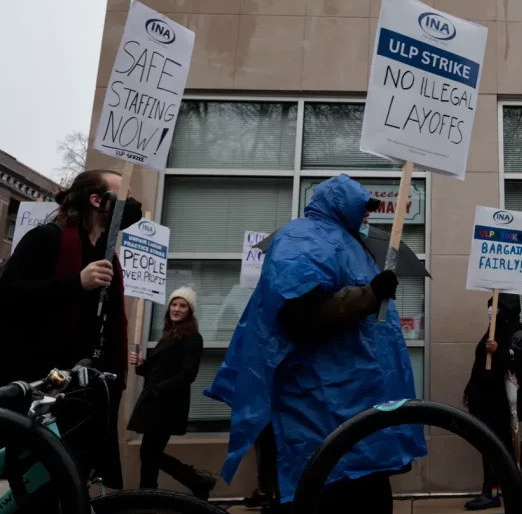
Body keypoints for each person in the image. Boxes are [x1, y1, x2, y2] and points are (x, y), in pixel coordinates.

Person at [205, 175, 426, 513]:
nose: (368, 215)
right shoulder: (304, 236)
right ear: (340, 204)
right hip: (321, 415)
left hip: (354, 415)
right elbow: (298, 316)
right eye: (362, 207)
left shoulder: (351, 246)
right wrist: (370, 294)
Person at [0, 169, 143, 490]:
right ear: (97, 200)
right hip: (39, 386)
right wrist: (76, 282)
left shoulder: (108, 256)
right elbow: (8, 294)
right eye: (124, 195)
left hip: (83, 393)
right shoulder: (47, 238)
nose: (131, 203)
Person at [127, 286, 217, 498]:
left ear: (189, 311)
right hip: (155, 404)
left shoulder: (193, 338)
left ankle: (188, 483)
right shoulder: (168, 335)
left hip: (168, 406)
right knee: (150, 454)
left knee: (150, 453)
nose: (176, 309)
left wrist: (159, 390)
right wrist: (141, 365)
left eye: (182, 306)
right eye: (174, 305)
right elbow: (156, 371)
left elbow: (188, 374)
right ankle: (192, 483)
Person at [463, 294, 522, 511]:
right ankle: (492, 491)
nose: (491, 312)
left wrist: (500, 351)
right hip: (485, 399)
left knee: (507, 445)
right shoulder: (492, 331)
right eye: (490, 308)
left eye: (495, 308)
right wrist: (471, 389)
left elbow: (520, 363)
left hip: (500, 402)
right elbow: (480, 363)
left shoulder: (517, 332)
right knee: (492, 444)